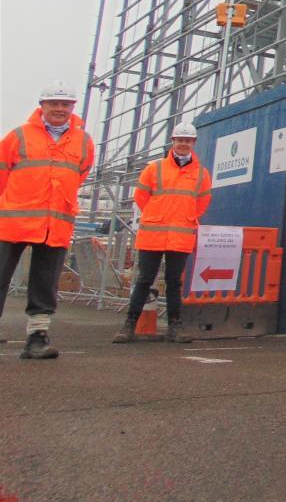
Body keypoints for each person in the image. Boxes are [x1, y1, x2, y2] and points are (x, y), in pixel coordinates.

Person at [0, 82, 95, 359]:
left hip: (56, 224)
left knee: (45, 283)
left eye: (65, 104)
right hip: (14, 222)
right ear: (42, 106)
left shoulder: (83, 141)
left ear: (72, 108)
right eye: (53, 103)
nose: (59, 108)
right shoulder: (18, 136)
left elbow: (80, 174)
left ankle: (37, 338)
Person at [113, 122, 212, 344]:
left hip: (180, 235)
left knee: (174, 281)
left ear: (193, 143)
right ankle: (129, 326)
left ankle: (174, 327)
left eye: (187, 140)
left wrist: (184, 217)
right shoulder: (154, 168)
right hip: (153, 234)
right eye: (180, 140)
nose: (183, 144)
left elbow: (203, 202)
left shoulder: (201, 174)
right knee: (145, 280)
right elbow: (141, 197)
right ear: (173, 141)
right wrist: (159, 215)